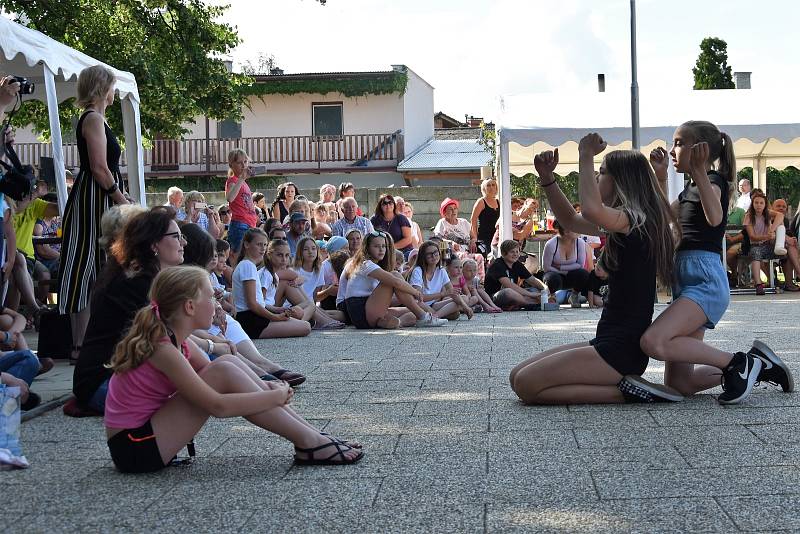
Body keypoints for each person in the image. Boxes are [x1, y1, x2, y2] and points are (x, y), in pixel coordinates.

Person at [103, 265, 362, 473]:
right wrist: (272, 395)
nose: (218, 303)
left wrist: (266, 385)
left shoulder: (175, 339)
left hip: (144, 437)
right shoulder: (164, 349)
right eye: (211, 296)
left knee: (226, 363)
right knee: (223, 369)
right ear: (189, 307)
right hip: (134, 449)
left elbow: (225, 374)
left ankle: (311, 437)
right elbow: (218, 406)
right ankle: (309, 442)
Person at [510, 136, 683, 404]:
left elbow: (590, 209)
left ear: (621, 183)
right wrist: (547, 178)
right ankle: (629, 388)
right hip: (610, 341)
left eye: (602, 174)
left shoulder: (633, 219)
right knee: (517, 376)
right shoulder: (625, 220)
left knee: (526, 385)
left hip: (620, 351)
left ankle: (631, 392)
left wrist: (586, 154)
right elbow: (570, 219)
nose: (597, 179)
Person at [641, 121, 794, 404]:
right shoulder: (689, 190)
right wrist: (660, 178)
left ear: (700, 150)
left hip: (704, 280)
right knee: (680, 383)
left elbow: (714, 217)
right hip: (687, 280)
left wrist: (699, 171)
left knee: (654, 341)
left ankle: (738, 363)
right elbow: (661, 220)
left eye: (678, 143)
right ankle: (758, 365)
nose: (672, 151)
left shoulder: (713, 182)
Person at [71, 207, 182, 412]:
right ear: (153, 243)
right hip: (104, 381)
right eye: (177, 236)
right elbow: (163, 338)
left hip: (117, 374)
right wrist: (212, 346)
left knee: (215, 370)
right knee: (194, 392)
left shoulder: (138, 276)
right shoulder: (134, 281)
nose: (184, 243)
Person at [58, 65, 129, 364]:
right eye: (112, 85)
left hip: (96, 197)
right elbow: (100, 168)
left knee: (92, 268)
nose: (115, 91)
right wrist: (120, 198)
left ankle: (85, 345)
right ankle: (82, 346)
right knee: (87, 267)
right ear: (102, 87)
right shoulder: (93, 119)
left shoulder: (95, 119)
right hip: (94, 200)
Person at [342, 231, 447, 329]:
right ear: (367, 248)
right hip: (361, 312)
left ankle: (396, 322)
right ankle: (424, 317)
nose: (381, 249)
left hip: (368, 309)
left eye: (383, 246)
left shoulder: (372, 265)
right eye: (376, 246)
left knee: (412, 312)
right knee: (395, 275)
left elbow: (388, 296)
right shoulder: (366, 264)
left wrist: (411, 301)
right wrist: (415, 292)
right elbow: (396, 282)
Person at [232, 229, 312, 339]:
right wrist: (275, 317)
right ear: (246, 244)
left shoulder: (248, 265)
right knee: (305, 327)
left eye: (265, 245)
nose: (262, 248)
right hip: (251, 320)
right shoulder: (247, 265)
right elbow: (252, 304)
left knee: (303, 322)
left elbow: (258, 301)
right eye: (259, 244)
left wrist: (277, 310)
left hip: (254, 317)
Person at [407, 241, 473, 320]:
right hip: (420, 305)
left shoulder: (441, 270)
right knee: (454, 313)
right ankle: (439, 315)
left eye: (435, 252)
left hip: (434, 304)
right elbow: (419, 297)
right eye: (429, 254)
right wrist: (443, 294)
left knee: (464, 299)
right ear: (423, 256)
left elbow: (452, 292)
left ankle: (435, 316)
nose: (433, 256)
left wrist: (465, 307)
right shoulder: (418, 271)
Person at [541, 220, 592, 308]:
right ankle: (552, 297)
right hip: (556, 275)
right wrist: (563, 271)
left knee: (583, 274)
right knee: (551, 278)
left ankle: (574, 295)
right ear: (566, 231)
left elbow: (580, 264)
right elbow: (546, 267)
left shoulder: (580, 243)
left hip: (570, 275)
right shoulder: (551, 244)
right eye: (575, 229)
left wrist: (560, 267)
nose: (579, 231)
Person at [484, 240, 547, 310]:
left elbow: (532, 280)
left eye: (517, 251)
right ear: (504, 253)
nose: (515, 254)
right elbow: (509, 285)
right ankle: (533, 304)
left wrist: (544, 288)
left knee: (535, 290)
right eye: (512, 252)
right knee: (509, 292)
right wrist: (532, 295)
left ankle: (524, 303)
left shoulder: (517, 264)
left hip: (515, 294)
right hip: (495, 297)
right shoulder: (497, 265)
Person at [434, 197, 486, 281]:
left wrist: (473, 241)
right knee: (463, 255)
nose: (453, 211)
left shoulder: (464, 222)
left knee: (479, 257)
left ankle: (479, 281)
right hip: (452, 253)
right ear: (444, 212)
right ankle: (461, 281)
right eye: (450, 209)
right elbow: (437, 239)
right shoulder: (442, 223)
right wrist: (451, 243)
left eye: (455, 209)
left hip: (468, 251)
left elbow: (473, 237)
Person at [224, 148, 258, 265]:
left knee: (248, 257)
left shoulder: (243, 182)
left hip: (249, 223)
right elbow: (230, 198)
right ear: (231, 165)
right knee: (237, 256)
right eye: (239, 162)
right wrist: (241, 178)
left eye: (245, 161)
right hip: (240, 224)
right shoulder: (232, 180)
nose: (243, 165)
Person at [743, 192, 781, 295]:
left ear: (765, 204)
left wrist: (772, 230)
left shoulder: (768, 213)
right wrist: (767, 236)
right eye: (756, 203)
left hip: (769, 245)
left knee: (787, 250)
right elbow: (752, 237)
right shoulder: (748, 217)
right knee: (756, 253)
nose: (759, 205)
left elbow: (780, 215)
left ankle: (787, 281)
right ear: (753, 204)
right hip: (755, 246)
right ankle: (758, 284)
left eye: (761, 203)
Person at [370, 194, 413, 259]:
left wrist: (391, 248)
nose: (388, 205)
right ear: (380, 206)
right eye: (384, 203)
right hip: (382, 252)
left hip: (403, 252)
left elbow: (408, 239)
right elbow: (371, 237)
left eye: (390, 202)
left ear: (394, 204)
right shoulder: (375, 219)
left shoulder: (401, 218)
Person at [469, 178, 499, 259]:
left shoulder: (499, 202)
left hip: (497, 237)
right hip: (484, 238)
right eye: (488, 185)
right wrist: (474, 238)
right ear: (484, 188)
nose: (491, 187)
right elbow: (473, 220)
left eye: (493, 185)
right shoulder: (481, 201)